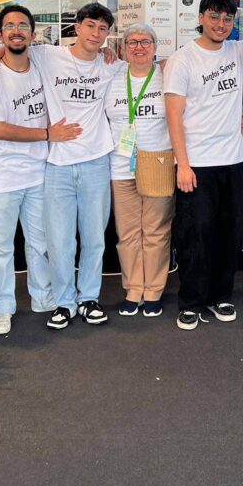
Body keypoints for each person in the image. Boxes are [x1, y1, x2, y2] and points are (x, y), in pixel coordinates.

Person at [0, 2, 122, 331]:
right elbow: (11, 45)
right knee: (59, 242)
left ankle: (89, 298)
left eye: (102, 29)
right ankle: (64, 302)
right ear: (77, 27)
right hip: (56, 165)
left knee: (94, 238)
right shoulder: (48, 55)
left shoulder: (111, 65)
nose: (95, 33)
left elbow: (146, 66)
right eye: (90, 26)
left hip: (96, 162)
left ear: (107, 34)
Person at [163, 0, 243, 331]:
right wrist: (182, 165)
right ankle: (191, 302)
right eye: (214, 17)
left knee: (231, 231)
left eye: (227, 19)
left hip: (233, 161)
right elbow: (173, 116)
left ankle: (221, 295)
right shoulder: (183, 59)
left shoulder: (237, 50)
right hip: (196, 163)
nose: (221, 24)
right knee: (195, 234)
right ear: (201, 18)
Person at [0, 5, 59, 335]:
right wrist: (48, 134)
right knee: (1, 248)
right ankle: (1, 308)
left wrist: (107, 50)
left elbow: (82, 51)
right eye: (9, 26)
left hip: (38, 171)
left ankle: (43, 297)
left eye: (23, 25)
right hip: (2, 175)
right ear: (0, 35)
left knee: (40, 242)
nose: (16, 30)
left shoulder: (41, 61)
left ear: (33, 34)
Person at [104, 23, 173, 319]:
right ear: (122, 48)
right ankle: (133, 289)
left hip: (157, 161)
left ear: (155, 47)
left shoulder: (167, 74)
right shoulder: (112, 75)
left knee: (156, 231)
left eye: (145, 42)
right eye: (132, 42)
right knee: (128, 233)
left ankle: (153, 290)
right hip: (121, 164)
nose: (139, 47)